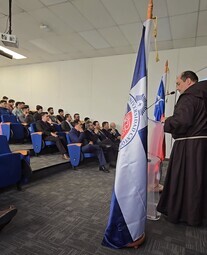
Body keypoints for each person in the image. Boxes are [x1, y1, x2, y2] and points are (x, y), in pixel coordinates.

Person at [157, 70, 207, 226]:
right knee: (197, 181)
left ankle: (184, 215)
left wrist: (167, 121)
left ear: (189, 81)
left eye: (178, 83)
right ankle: (198, 214)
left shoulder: (189, 96)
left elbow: (182, 121)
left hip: (189, 146)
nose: (177, 88)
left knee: (186, 180)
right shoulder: (203, 95)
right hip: (201, 144)